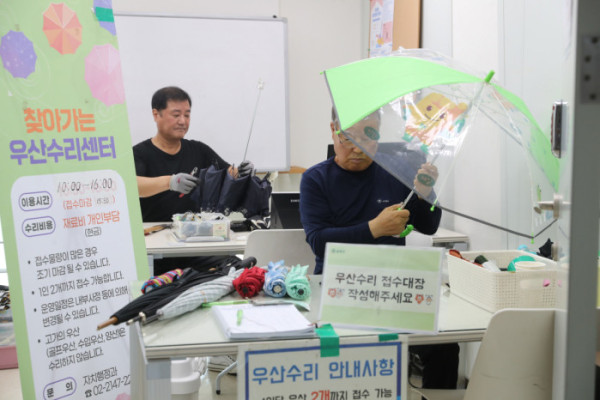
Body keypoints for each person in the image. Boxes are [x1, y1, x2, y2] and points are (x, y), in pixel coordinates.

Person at [300, 108, 459, 392]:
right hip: (338, 289)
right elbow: (319, 241)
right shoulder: (316, 179)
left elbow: (429, 226)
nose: (358, 147)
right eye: (348, 137)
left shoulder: (396, 172)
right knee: (344, 355)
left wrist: (424, 194)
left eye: (369, 135)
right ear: (333, 130)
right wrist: (375, 228)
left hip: (390, 288)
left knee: (444, 347)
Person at [133, 86, 253, 276]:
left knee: (238, 269)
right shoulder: (140, 153)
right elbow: (132, 186)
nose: (183, 121)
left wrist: (242, 172)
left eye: (187, 115)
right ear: (156, 114)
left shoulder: (198, 150)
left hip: (193, 241)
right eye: (176, 115)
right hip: (156, 247)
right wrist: (170, 182)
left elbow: (227, 173)